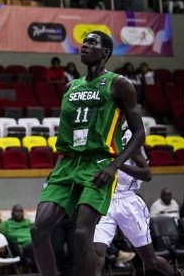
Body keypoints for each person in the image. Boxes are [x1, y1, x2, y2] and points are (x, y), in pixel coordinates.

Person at [30, 30, 146, 276]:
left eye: (92, 42)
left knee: (82, 233)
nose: (84, 45)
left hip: (98, 163)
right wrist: (57, 167)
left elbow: (139, 134)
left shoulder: (119, 84)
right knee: (39, 230)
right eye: (83, 42)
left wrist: (114, 166)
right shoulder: (71, 86)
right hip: (67, 163)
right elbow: (69, 133)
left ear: (105, 52)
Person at [93, 128, 181, 276]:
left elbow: (147, 174)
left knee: (150, 260)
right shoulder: (98, 133)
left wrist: (117, 163)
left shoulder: (129, 138)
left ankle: (176, 274)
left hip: (127, 201)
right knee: (97, 252)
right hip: (103, 199)